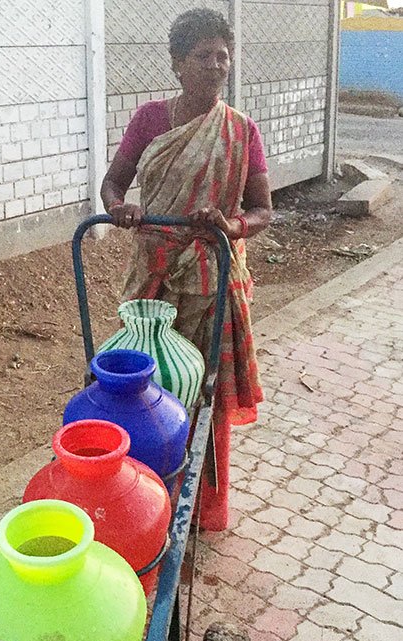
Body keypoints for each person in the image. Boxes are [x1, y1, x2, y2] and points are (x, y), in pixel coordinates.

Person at [101, 8, 272, 531]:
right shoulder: (151, 119)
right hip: (152, 279)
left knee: (204, 393)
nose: (217, 66)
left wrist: (230, 225)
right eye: (204, 56)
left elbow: (263, 210)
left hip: (211, 281)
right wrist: (119, 210)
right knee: (145, 388)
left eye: (224, 55)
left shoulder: (241, 131)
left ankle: (199, 509)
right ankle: (141, 505)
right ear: (178, 64)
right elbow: (113, 184)